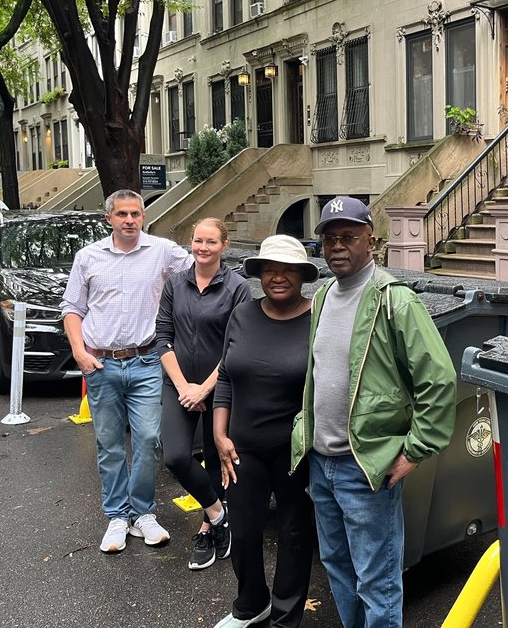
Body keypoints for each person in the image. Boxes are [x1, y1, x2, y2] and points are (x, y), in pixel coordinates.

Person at [290, 197, 457, 628]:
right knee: (339, 570)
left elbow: (438, 380)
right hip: (321, 463)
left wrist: (415, 450)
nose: (337, 246)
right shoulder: (323, 294)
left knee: (376, 581)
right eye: (329, 238)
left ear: (372, 241)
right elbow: (317, 371)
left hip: (365, 468)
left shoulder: (394, 301)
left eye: (348, 237)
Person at [62, 189, 193, 554]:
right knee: (109, 445)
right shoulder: (88, 257)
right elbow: (72, 307)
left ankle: (144, 513)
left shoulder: (163, 252)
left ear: (143, 216)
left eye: (136, 213)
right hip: (100, 364)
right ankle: (117, 516)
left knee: (149, 438)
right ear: (109, 219)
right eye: (122, 214)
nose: (130, 220)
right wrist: (79, 352)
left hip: (148, 360)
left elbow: (201, 270)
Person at [213, 235, 319, 628]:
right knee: (242, 532)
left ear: (301, 276)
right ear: (259, 274)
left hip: (295, 451)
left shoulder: (316, 320)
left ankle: (285, 618)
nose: (278, 277)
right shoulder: (243, 314)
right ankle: (251, 603)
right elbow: (226, 376)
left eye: (287, 270)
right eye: (270, 269)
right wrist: (221, 436)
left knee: (294, 535)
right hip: (242, 449)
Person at [156, 218, 252, 570]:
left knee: (217, 460)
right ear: (190, 243)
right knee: (176, 455)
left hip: (222, 385)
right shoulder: (175, 285)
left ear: (224, 245)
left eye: (211, 242)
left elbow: (237, 344)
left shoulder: (238, 288)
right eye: (197, 241)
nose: (203, 248)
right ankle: (217, 513)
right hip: (179, 385)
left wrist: (205, 388)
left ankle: (207, 531)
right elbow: (162, 336)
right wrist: (184, 387)